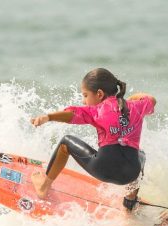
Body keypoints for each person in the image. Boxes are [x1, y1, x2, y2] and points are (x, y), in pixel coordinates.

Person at [30, 68, 156, 211]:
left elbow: (71, 114)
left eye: (85, 95)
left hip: (104, 170)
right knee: (141, 155)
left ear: (99, 94)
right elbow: (151, 100)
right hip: (130, 173)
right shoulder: (136, 107)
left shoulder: (97, 110)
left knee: (66, 142)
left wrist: (49, 117)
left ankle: (43, 188)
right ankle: (129, 203)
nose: (84, 101)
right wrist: (132, 99)